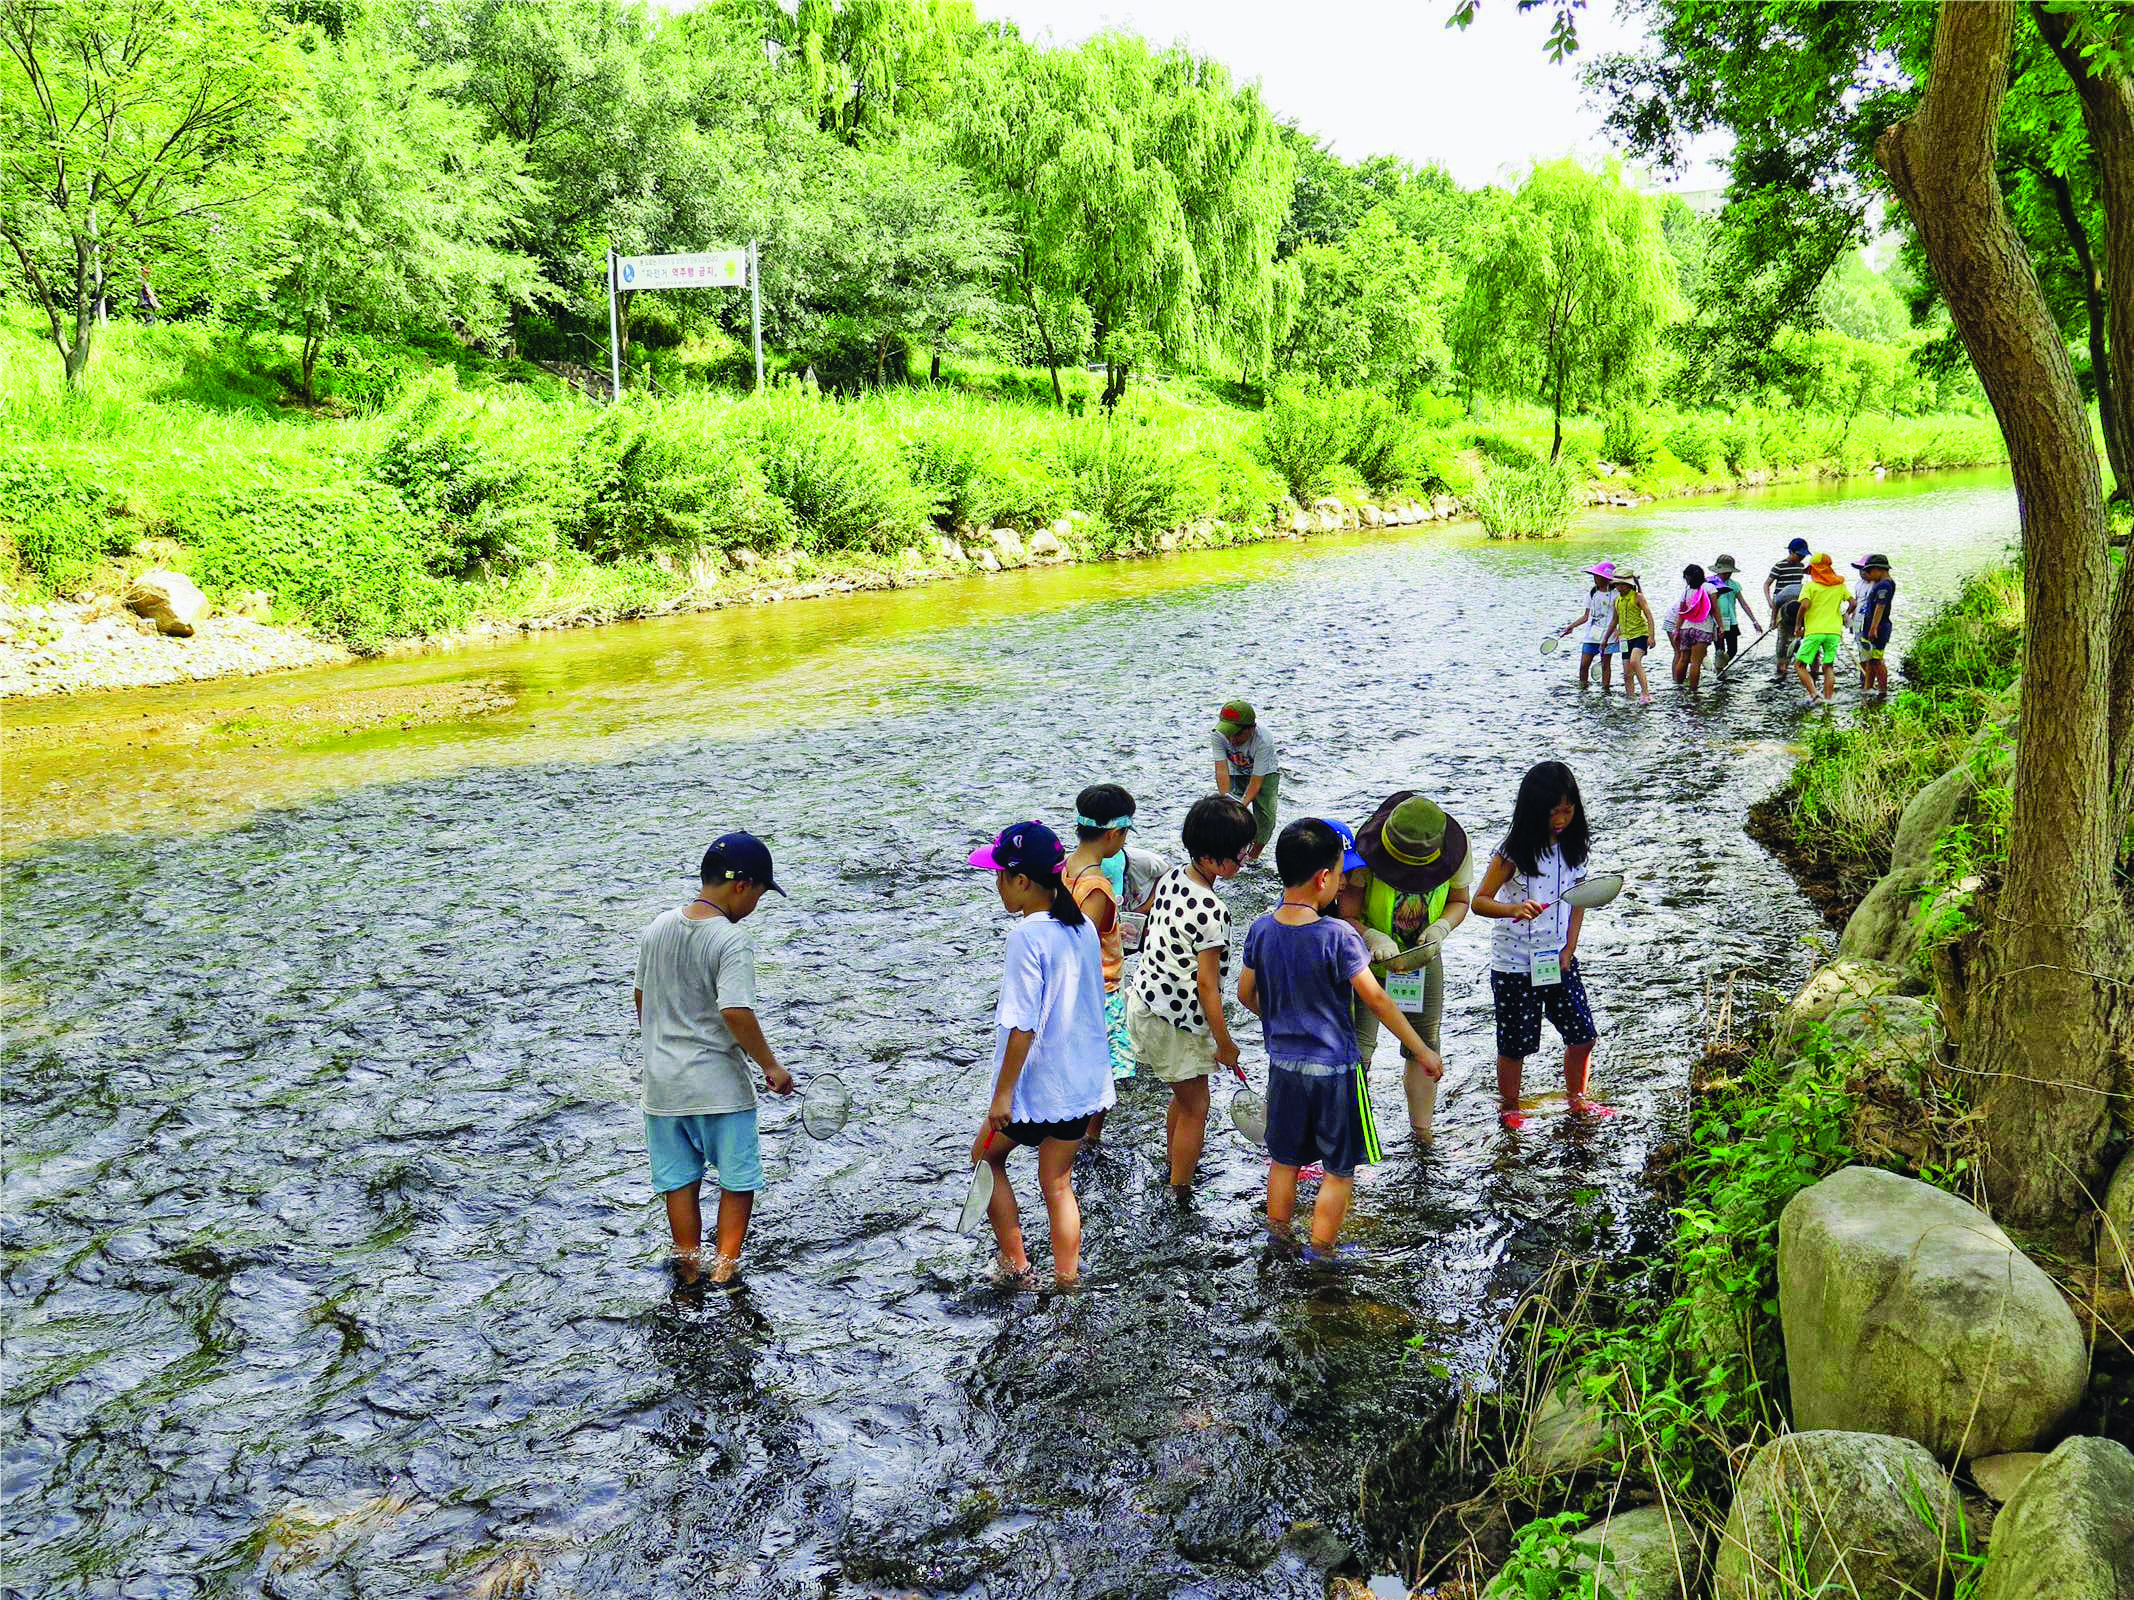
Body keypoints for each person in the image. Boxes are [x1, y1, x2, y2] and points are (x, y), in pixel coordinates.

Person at [1239, 819, 1440, 1259]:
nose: (1343, 883)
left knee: (1284, 1161)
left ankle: (1279, 1242)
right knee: (1338, 1169)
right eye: (1339, 874)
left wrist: (1282, 1019)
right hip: (1335, 1071)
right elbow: (1378, 1000)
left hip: (1283, 1067)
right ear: (1323, 878)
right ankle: (1322, 1253)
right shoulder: (1339, 936)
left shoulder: (1261, 929)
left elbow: (1244, 993)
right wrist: (1422, 1049)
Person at [634, 832, 796, 1287]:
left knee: (678, 1182)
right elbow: (735, 1011)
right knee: (738, 1180)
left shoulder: (657, 926)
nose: (756, 904)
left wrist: (661, 1046)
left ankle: (689, 1268)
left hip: (662, 1087)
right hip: (719, 1088)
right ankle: (725, 1270)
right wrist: (770, 1066)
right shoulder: (730, 940)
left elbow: (642, 998)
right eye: (760, 894)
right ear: (742, 886)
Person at [967, 821, 1116, 1287]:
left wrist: (1002, 1095)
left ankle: (1017, 1266)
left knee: (984, 1160)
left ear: (1022, 881)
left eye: (999, 875)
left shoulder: (1026, 937)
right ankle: (1067, 1280)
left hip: (1038, 1089)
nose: (996, 884)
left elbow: (1021, 1026)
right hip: (1081, 1086)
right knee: (1057, 1182)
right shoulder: (1081, 927)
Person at [1128, 795, 1255, 1191]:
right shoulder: (1213, 911)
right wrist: (1225, 1043)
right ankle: (1180, 1189)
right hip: (1177, 1023)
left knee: (1184, 1097)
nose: (1245, 858)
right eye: (1240, 853)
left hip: (1146, 1003)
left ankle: (1174, 1163)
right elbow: (1207, 987)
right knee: (1198, 1106)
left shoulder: (1171, 877)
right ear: (1213, 857)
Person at [1471, 764, 1607, 1131]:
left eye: (1568, 810)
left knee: (1583, 1036)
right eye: (1553, 813)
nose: (1561, 819)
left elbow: (1578, 902)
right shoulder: (1511, 853)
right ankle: (1510, 1108)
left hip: (1558, 959)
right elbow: (1479, 902)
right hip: (1514, 964)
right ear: (1534, 811)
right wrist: (1513, 909)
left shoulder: (1575, 848)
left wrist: (1569, 950)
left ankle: (1577, 1099)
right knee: (1515, 1045)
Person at [1343, 793, 1473, 1139]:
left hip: (1422, 957)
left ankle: (1422, 1132)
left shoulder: (1456, 851)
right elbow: (1346, 914)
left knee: (1425, 1043)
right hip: (1367, 962)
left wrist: (1442, 927)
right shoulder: (1366, 854)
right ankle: (1351, 1138)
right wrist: (1371, 937)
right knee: (1358, 1049)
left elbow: (1460, 900)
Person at [1063, 783, 1138, 1145]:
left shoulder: (1065, 868)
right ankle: (1087, 1138)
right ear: (1113, 834)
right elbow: (1083, 945)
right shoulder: (1097, 886)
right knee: (1106, 1069)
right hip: (1099, 991)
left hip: (1071, 988)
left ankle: (1077, 1133)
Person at [1212, 700, 1279, 864]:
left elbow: (1256, 782)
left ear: (1251, 728)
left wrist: (1242, 805)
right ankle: (1232, 854)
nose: (1232, 739)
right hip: (1234, 771)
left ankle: (1251, 858)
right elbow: (1221, 770)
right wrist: (1228, 803)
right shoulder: (1218, 735)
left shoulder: (1263, 739)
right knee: (1229, 815)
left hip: (1265, 773)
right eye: (1229, 734)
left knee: (1266, 817)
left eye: (1237, 734)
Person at [1793, 551, 1850, 707]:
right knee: (1828, 666)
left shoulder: (1810, 587)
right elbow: (1853, 602)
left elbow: (1804, 605)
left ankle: (1814, 695)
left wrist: (1798, 625)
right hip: (1834, 632)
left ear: (1813, 570)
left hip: (1814, 631)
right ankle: (1828, 699)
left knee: (1799, 665)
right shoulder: (1840, 586)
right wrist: (1845, 615)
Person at [1555, 561, 1620, 691]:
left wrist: (1619, 630)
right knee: (1584, 665)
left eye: (1598, 576)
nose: (1595, 579)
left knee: (1605, 665)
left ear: (1607, 578)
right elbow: (1586, 616)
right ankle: (1583, 689)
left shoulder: (1616, 594)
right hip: (1592, 635)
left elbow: (1619, 616)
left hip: (1609, 635)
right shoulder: (1592, 593)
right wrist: (1571, 626)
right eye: (1594, 576)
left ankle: (1605, 691)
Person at [1764, 537, 1811, 684]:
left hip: (1797, 605)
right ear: (1791, 551)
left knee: (1801, 636)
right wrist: (1770, 602)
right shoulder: (1780, 566)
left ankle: (1802, 664)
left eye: (1803, 555)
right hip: (1781, 605)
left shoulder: (1801, 566)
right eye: (1799, 555)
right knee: (1783, 638)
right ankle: (1781, 665)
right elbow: (1767, 584)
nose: (1801, 558)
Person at [1608, 570, 1658, 706]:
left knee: (1635, 661)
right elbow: (1614, 620)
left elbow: (1649, 616)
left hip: (1640, 635)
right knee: (1627, 673)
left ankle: (1645, 693)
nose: (1619, 587)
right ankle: (1630, 698)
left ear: (1629, 585)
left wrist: (1651, 636)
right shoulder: (1617, 600)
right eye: (1617, 584)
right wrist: (1606, 639)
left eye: (1622, 584)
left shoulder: (1638, 597)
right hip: (1625, 638)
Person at [1667, 562, 1718, 691]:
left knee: (1683, 659)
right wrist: (1721, 626)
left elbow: (1682, 613)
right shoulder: (1710, 588)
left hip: (1685, 628)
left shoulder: (1687, 591)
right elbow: (1715, 610)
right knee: (1696, 662)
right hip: (1703, 628)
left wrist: (1677, 630)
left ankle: (1678, 687)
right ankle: (1693, 691)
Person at [1853, 555, 1896, 699]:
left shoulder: (1884, 585)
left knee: (1877, 660)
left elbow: (1880, 606)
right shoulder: (1881, 583)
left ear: (1879, 569)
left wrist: (1873, 627)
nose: (1867, 574)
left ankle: (1883, 690)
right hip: (1872, 625)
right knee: (1870, 659)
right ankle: (1867, 688)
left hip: (1879, 627)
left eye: (1870, 571)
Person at [1708, 555, 1761, 668]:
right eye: (1724, 573)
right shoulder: (1710, 584)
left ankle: (1721, 665)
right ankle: (1719, 667)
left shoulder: (1734, 585)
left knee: (1733, 650)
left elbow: (1743, 604)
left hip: (1731, 621)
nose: (1727, 575)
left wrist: (1754, 621)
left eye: (1729, 573)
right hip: (1716, 622)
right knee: (1720, 650)